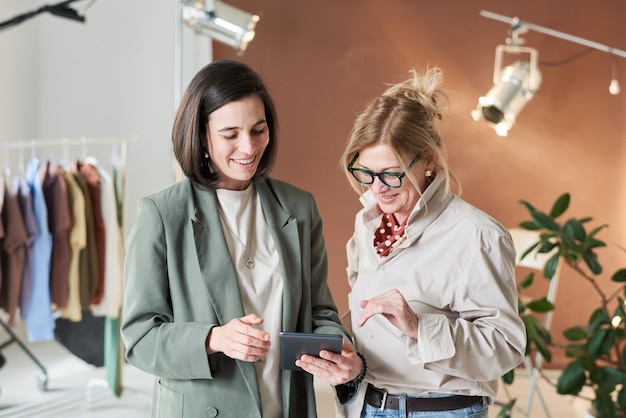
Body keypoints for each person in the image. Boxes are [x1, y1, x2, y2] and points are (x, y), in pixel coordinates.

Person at [120, 59, 365, 418]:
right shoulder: (162, 214)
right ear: (201, 135)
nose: (249, 147)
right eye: (230, 134)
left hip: (287, 406)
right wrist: (213, 339)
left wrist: (337, 349)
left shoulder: (299, 206)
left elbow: (319, 311)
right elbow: (140, 339)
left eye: (258, 130)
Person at [339, 67, 527, 418]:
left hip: (441, 411)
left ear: (428, 160)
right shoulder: (366, 226)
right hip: (368, 406)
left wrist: (419, 327)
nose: (377, 188)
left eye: (392, 174)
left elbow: (505, 348)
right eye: (365, 173)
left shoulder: (477, 236)